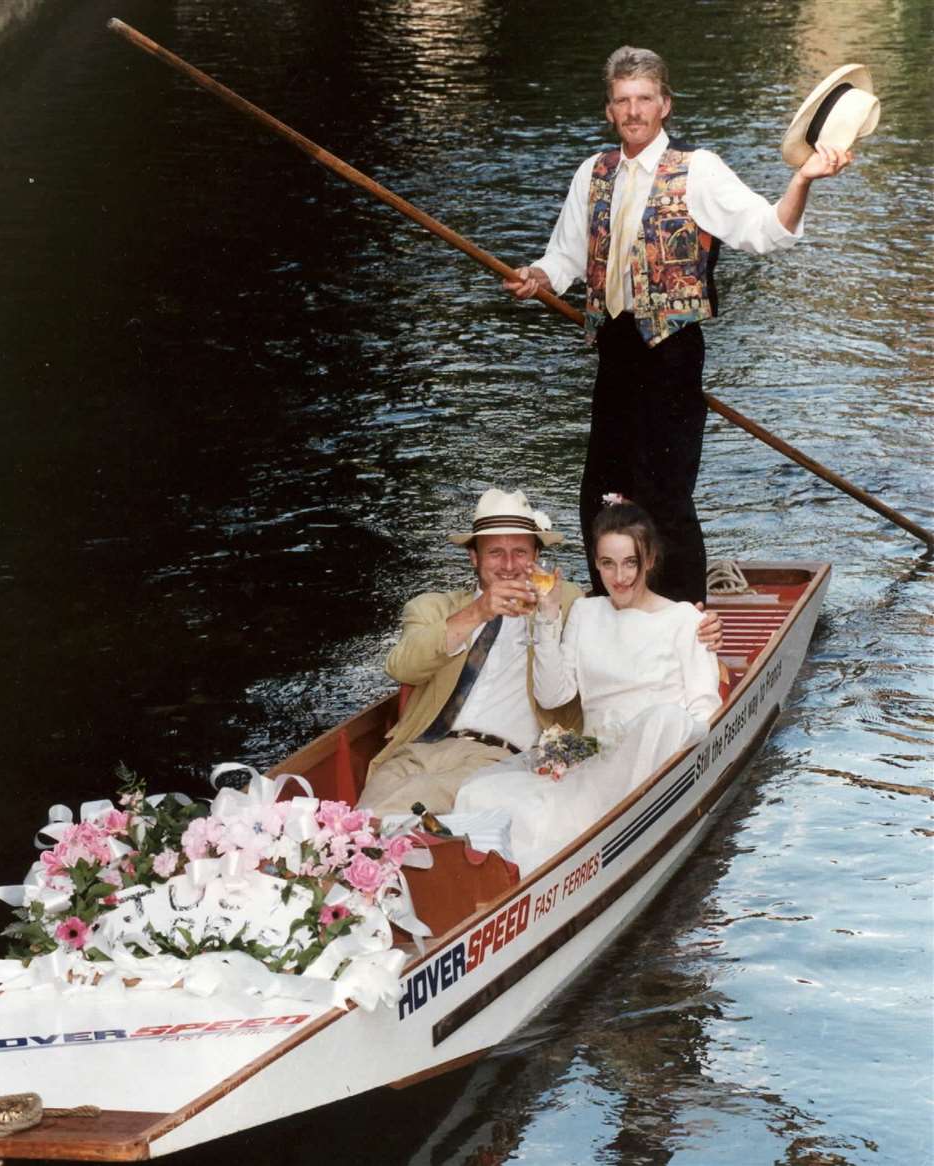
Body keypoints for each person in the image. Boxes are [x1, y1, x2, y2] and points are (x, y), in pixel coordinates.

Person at [504, 45, 857, 605]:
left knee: (664, 497)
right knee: (602, 496)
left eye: (645, 98)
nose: (634, 111)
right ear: (609, 111)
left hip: (671, 353)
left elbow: (765, 231)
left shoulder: (699, 169)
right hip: (614, 352)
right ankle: (614, 613)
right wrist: (536, 276)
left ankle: (690, 623)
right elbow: (565, 258)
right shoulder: (593, 173)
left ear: (665, 105)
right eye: (623, 101)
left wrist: (804, 180)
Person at [355, 487, 721, 818]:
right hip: (416, 748)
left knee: (390, 813)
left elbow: (632, 628)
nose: (510, 565)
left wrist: (700, 629)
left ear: (537, 558)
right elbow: (402, 667)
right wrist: (479, 611)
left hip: (495, 757)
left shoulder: (568, 605)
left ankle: (340, 860)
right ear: (473, 557)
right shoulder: (433, 608)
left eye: (520, 553)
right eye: (495, 553)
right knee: (372, 804)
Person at [454, 497, 721, 873]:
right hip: (593, 760)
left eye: (631, 562)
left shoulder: (683, 620)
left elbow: (705, 712)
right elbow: (553, 695)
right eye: (608, 564)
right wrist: (547, 619)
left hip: (657, 762)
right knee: (479, 792)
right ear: (596, 564)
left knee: (664, 718)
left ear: (650, 559)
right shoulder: (584, 611)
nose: (620, 577)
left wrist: (666, 738)